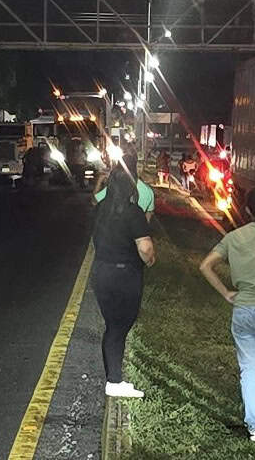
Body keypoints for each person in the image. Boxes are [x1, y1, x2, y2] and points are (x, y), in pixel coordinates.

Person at [197, 186, 255, 443]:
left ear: (246, 210)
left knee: (249, 370)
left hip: (243, 310)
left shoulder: (233, 238)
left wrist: (226, 292)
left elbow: (205, 266)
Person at [91, 165, 155, 398]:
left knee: (113, 326)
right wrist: (150, 260)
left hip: (101, 272)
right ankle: (115, 382)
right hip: (125, 275)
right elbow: (145, 247)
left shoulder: (100, 208)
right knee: (120, 326)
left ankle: (114, 378)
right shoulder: (132, 212)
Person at [95, 154, 155, 221]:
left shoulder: (118, 184)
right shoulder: (149, 192)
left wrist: (99, 181)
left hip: (115, 227)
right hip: (135, 228)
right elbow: (149, 214)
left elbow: (94, 201)